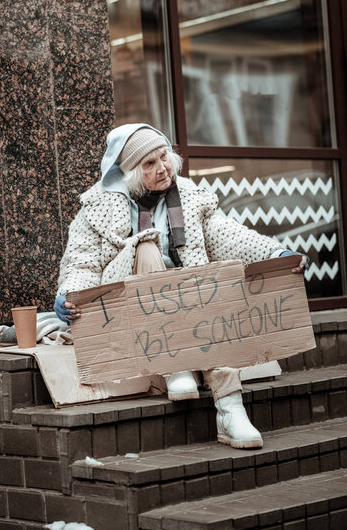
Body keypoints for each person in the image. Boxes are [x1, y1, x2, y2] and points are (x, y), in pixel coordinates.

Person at [54, 123, 308, 449]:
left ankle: (230, 410)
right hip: (132, 309)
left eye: (165, 157)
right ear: (130, 172)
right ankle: (175, 366)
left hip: (188, 301)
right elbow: (81, 264)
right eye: (150, 163)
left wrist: (276, 254)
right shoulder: (96, 208)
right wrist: (69, 295)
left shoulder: (189, 195)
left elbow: (226, 235)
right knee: (145, 245)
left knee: (209, 289)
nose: (163, 168)